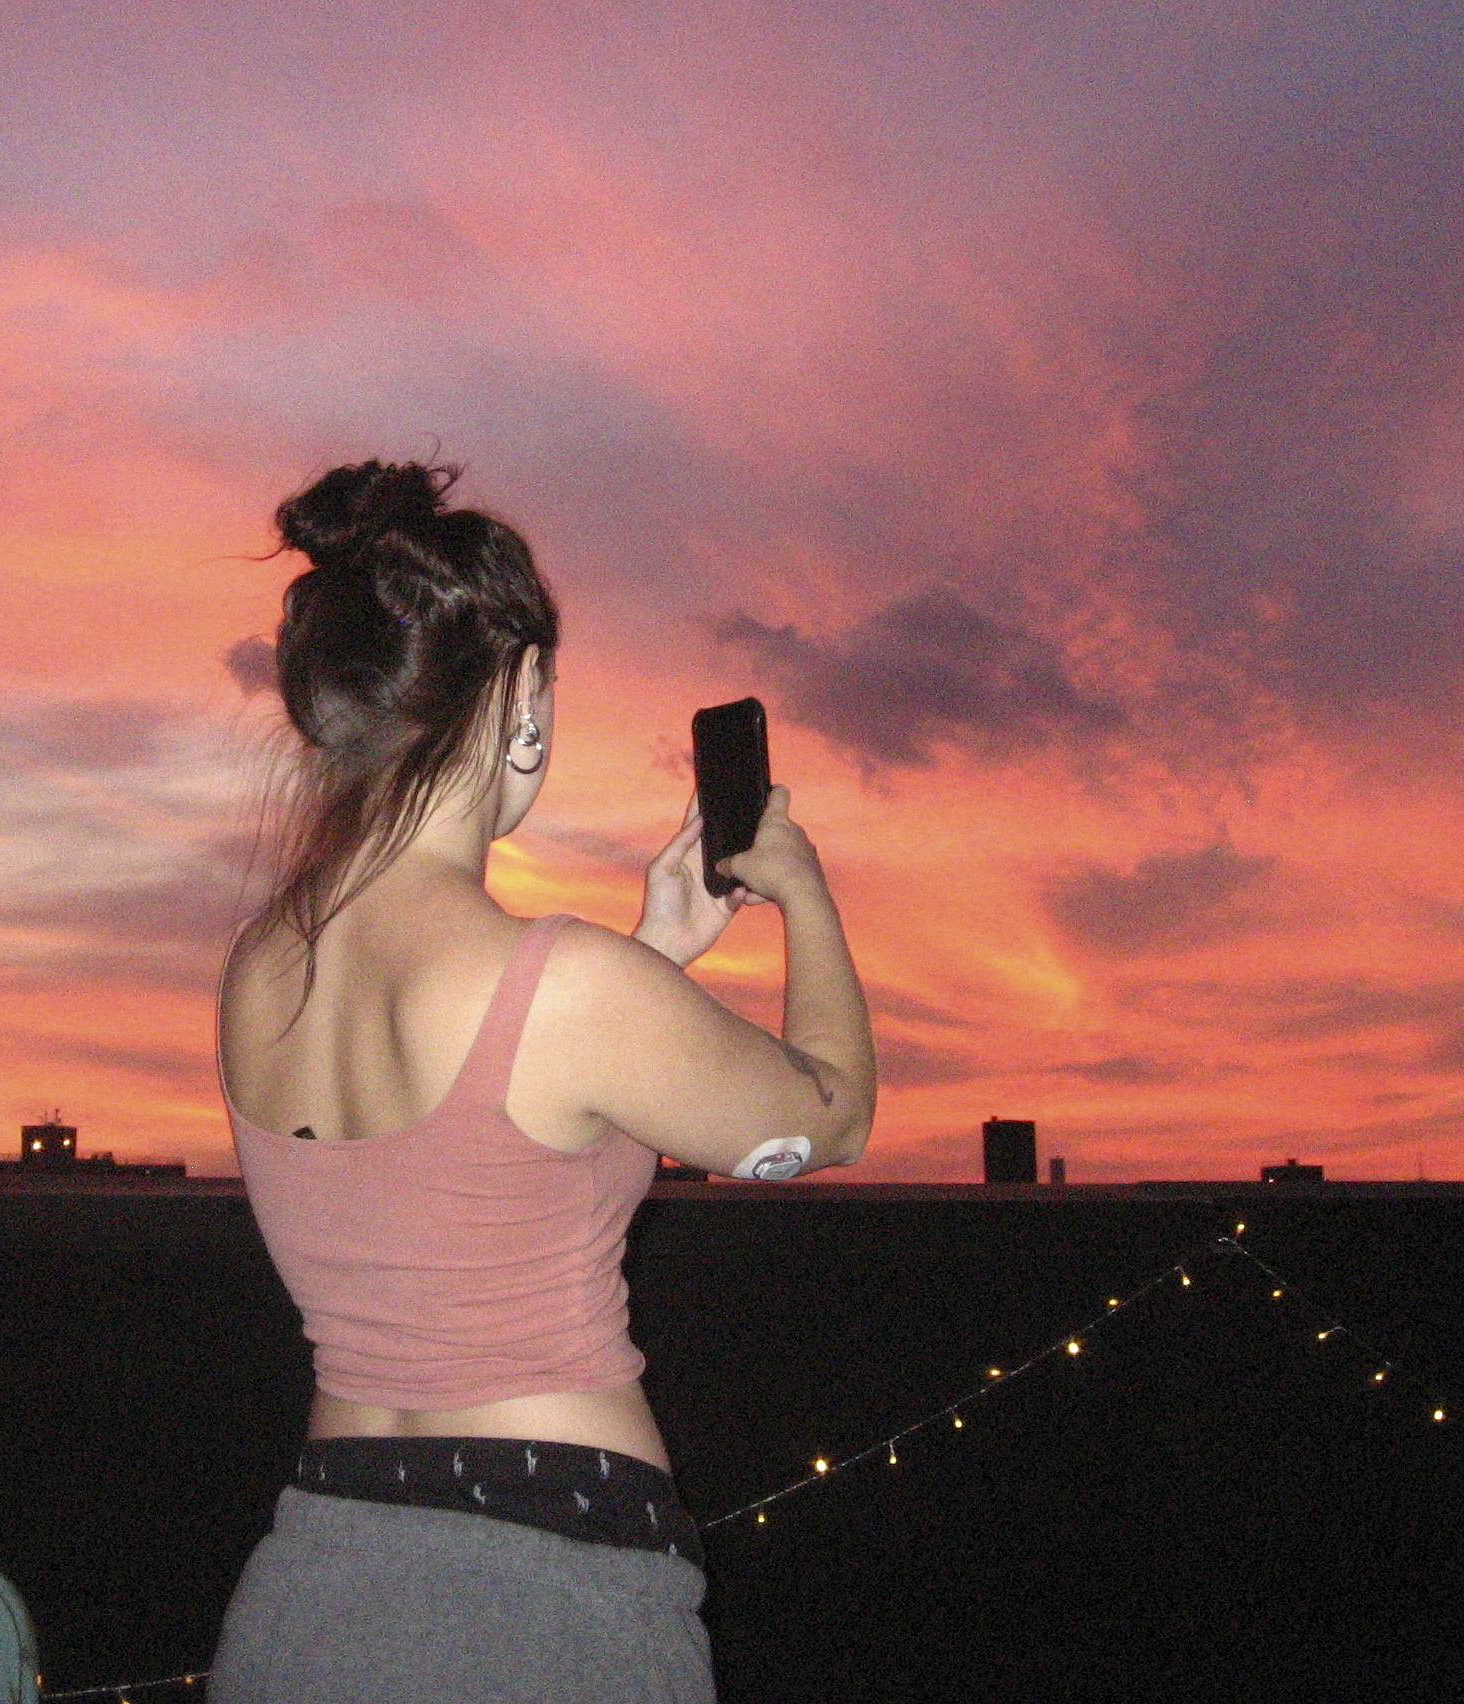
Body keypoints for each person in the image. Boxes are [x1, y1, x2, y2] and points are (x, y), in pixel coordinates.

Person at [205, 459, 876, 1703]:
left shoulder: (258, 969)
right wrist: (804, 892)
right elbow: (830, 1114)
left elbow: (477, 1149)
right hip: (544, 1592)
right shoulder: (562, 984)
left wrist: (653, 951)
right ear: (519, 693)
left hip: (316, 1574)